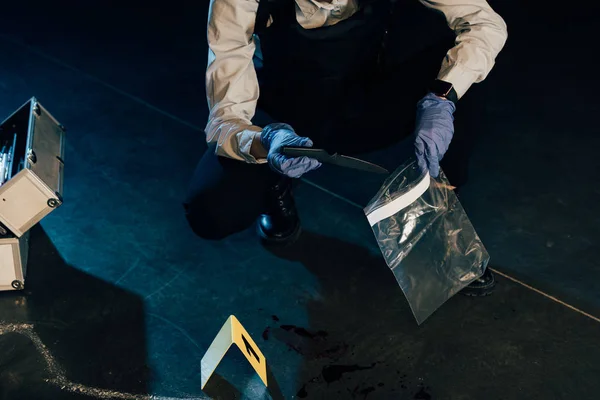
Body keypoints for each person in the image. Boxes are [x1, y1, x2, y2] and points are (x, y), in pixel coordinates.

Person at [185, 0, 507, 296]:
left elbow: (484, 23)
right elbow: (226, 116)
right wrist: (264, 142)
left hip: (364, 103)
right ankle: (274, 191)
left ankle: (439, 211)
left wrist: (442, 98)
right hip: (288, 121)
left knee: (468, 74)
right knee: (212, 209)